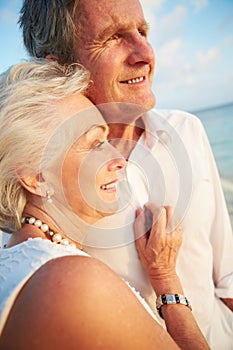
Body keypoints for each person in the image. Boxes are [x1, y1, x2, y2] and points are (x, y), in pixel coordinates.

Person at [15, 0, 233, 348]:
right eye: (113, 38)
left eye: (143, 31)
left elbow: (227, 276)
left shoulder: (188, 129)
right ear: (60, 69)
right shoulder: (47, 189)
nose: (145, 53)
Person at [0, 59, 210, 349]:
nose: (119, 159)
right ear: (35, 177)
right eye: (96, 144)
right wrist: (166, 280)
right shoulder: (75, 281)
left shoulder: (14, 256)